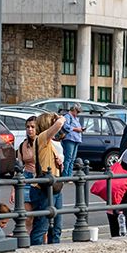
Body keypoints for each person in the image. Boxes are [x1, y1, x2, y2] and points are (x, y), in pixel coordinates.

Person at [28, 112, 66, 245]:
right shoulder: (42, 138)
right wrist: (60, 118)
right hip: (42, 189)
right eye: (52, 122)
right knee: (41, 227)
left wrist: (59, 163)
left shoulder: (50, 142)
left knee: (56, 226)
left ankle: (54, 250)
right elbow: (60, 123)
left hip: (54, 186)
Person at [61, 104, 84, 175]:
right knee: (68, 158)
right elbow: (65, 126)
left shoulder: (75, 118)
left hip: (76, 139)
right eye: (77, 111)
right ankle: (65, 176)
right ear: (73, 110)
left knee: (72, 159)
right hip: (69, 139)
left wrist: (81, 129)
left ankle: (69, 175)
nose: (78, 113)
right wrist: (76, 129)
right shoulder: (67, 116)